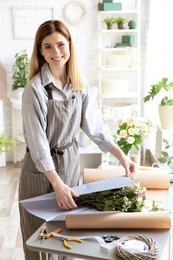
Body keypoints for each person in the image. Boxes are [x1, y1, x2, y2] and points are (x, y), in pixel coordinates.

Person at [18, 20, 137, 260]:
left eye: (61, 44)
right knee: (39, 242)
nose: (56, 52)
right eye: (48, 46)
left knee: (67, 238)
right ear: (40, 51)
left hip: (70, 165)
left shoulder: (79, 84)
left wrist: (121, 156)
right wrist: (57, 184)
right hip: (40, 172)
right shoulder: (36, 90)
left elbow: (96, 127)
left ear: (70, 46)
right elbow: (39, 143)